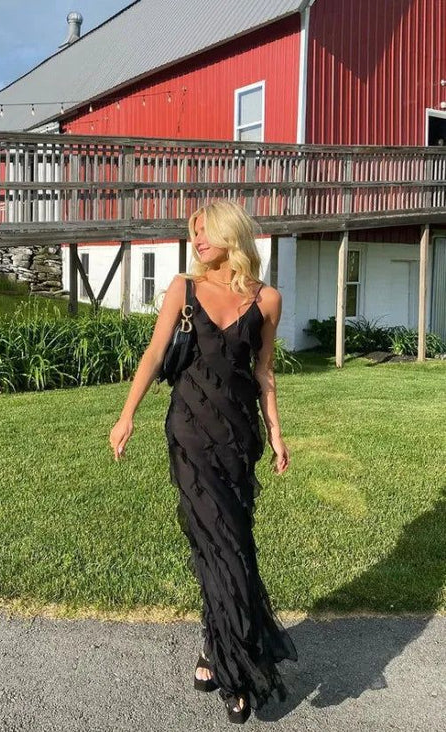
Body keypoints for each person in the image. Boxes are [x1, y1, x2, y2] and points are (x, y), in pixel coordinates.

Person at [109, 199, 298, 724]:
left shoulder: (267, 300)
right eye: (194, 232)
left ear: (230, 235)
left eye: (206, 231)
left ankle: (215, 648)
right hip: (190, 434)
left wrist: (277, 433)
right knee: (217, 544)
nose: (197, 239)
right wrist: (127, 416)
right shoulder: (183, 289)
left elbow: (264, 372)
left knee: (231, 544)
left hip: (238, 438)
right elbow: (154, 354)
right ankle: (237, 672)